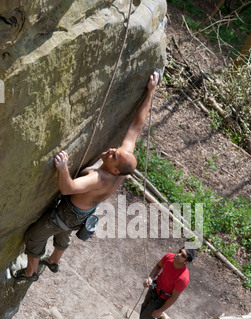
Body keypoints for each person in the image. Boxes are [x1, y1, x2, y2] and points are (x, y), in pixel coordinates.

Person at [13, 72, 160, 281]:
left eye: (113, 155)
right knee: (64, 233)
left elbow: (67, 189)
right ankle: (54, 261)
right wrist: (151, 92)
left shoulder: (99, 178)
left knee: (35, 236)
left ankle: (30, 272)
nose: (110, 150)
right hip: (83, 213)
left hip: (68, 213)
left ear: (116, 170)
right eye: (114, 150)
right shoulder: (123, 161)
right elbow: (137, 126)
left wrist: (63, 167)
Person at [126, 247, 195, 319]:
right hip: (154, 288)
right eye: (180, 251)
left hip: (162, 299)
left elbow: (174, 297)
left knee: (148, 317)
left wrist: (160, 310)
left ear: (186, 262)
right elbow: (158, 266)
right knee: (144, 307)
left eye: (183, 255)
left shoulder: (183, 278)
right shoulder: (169, 257)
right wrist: (150, 278)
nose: (178, 254)